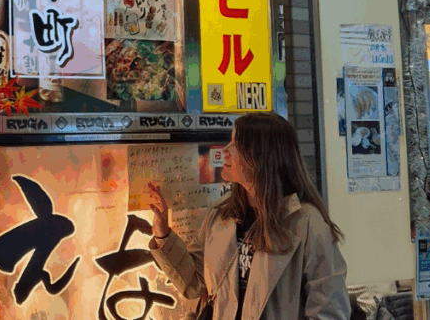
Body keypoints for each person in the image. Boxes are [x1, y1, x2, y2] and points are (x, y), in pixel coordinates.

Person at [147, 112, 351, 320]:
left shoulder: (306, 223)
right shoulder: (220, 216)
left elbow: (329, 309)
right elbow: (195, 285)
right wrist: (162, 233)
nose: (225, 150)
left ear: (262, 156)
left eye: (236, 144)